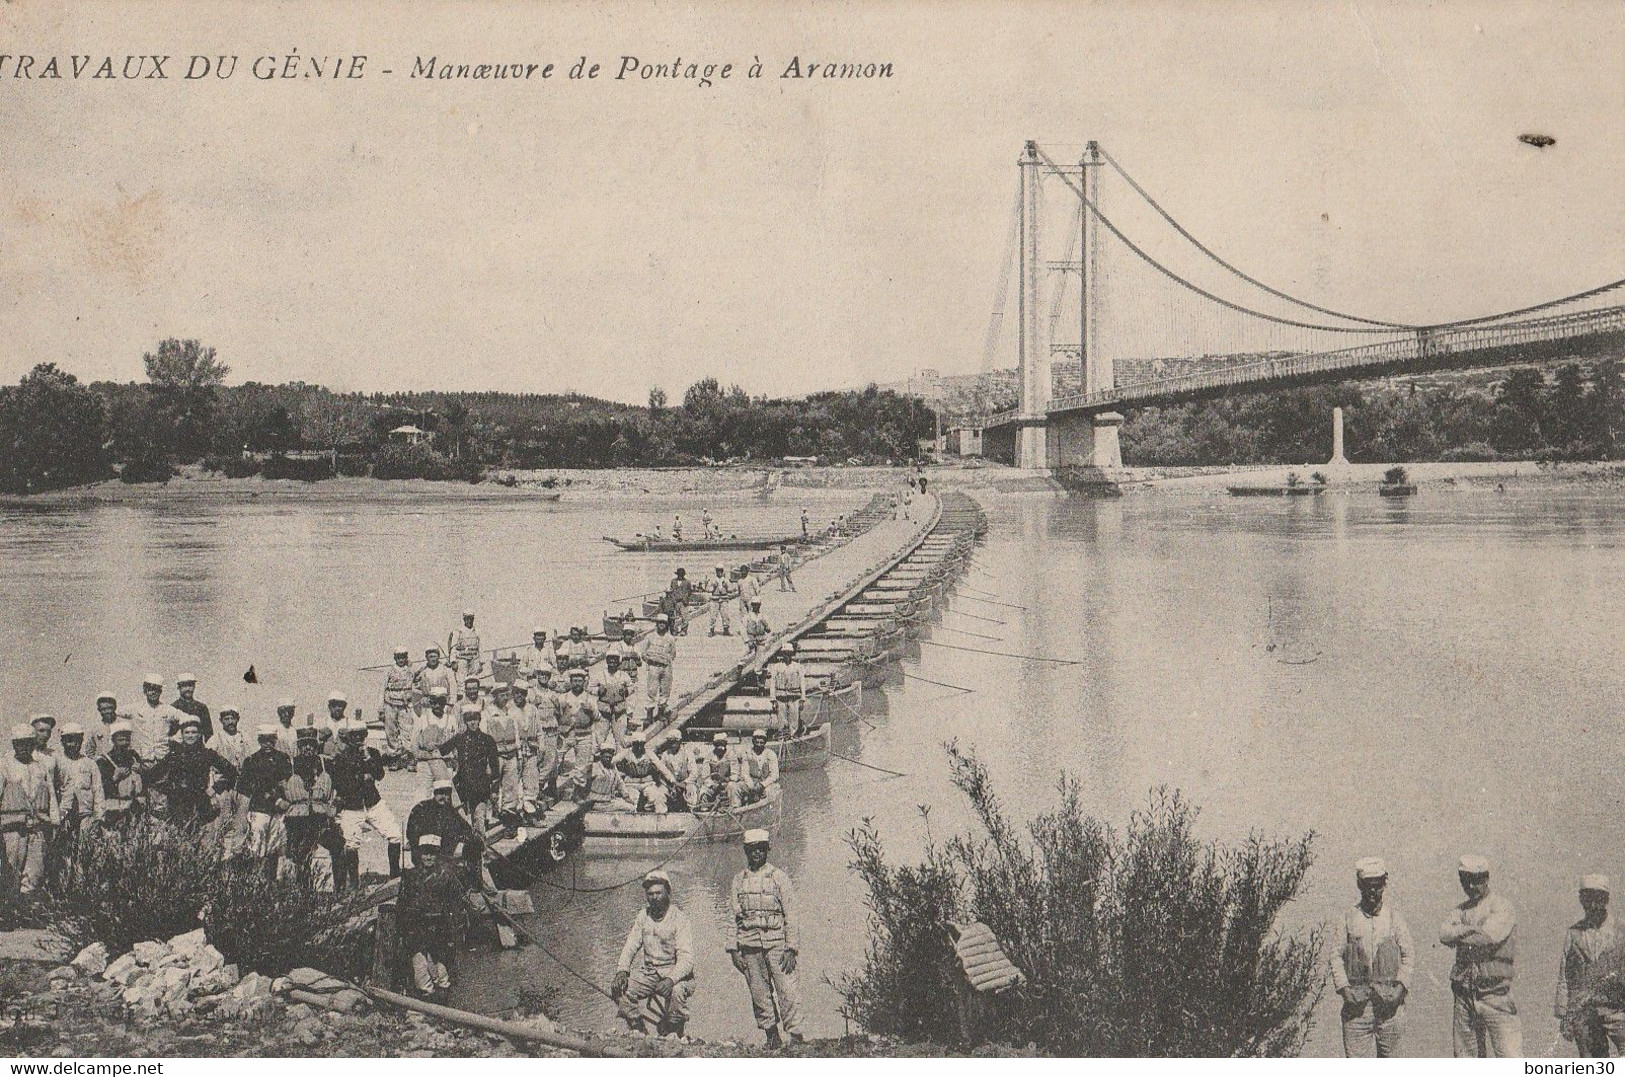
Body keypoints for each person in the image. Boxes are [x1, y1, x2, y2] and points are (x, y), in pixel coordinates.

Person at [727, 828, 803, 1048]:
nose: (756, 853)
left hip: (778, 944)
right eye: (752, 850)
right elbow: (733, 916)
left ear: (767, 850)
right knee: (759, 994)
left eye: (761, 849)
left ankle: (796, 1036)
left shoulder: (779, 877)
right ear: (746, 852)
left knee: (787, 989)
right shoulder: (738, 880)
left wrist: (791, 948)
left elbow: (792, 914)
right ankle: (771, 1035)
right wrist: (733, 950)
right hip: (749, 945)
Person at [1331, 857, 1413, 1057]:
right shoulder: (1348, 918)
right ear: (1359, 885)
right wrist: (1344, 989)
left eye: (1377, 886)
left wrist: (1400, 988)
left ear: (1385, 883)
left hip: (1390, 1007)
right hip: (1357, 1008)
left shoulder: (1394, 918)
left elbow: (1408, 956)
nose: (1372, 892)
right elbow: (1335, 956)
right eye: (1367, 886)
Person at [1441, 853, 1521, 1057]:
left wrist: (1461, 932)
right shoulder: (1460, 909)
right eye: (1466, 881)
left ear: (1486, 878)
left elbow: (1487, 937)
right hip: (1465, 995)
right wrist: (1472, 930)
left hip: (1495, 994)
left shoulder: (1501, 906)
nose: (1471, 886)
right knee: (1466, 1059)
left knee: (1509, 1058)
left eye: (1477, 880)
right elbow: (1444, 934)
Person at [613, 869, 696, 1038]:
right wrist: (622, 971)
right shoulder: (643, 916)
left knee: (677, 991)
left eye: (659, 893)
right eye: (650, 894)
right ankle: (640, 1031)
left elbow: (687, 959)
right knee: (619, 989)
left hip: (676, 974)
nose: (654, 898)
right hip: (650, 973)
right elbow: (630, 945)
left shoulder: (680, 919)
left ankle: (674, 1033)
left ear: (668, 892)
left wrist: (671, 979)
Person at [398, 834, 472, 1002]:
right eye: (425, 853)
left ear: (438, 854)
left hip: (440, 929)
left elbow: (458, 902)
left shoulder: (446, 876)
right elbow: (403, 905)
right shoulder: (410, 876)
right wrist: (404, 929)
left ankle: (444, 1006)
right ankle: (427, 1007)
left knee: (441, 973)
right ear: (419, 854)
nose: (429, 857)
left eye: (432, 853)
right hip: (417, 929)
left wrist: (456, 926)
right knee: (421, 972)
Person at [1557, 875, 1625, 1056]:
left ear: (1607, 899)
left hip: (1617, 1008)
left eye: (1599, 898)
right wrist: (1564, 1014)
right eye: (1587, 898)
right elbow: (1565, 974)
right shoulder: (1574, 934)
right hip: (1585, 1010)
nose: (1593, 904)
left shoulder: (1621, 931)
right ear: (1581, 899)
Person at [330, 721, 401, 885]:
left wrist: (368, 758)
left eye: (361, 735)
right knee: (351, 844)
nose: (358, 739)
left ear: (365, 736)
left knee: (395, 835)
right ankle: (355, 883)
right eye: (354, 736)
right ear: (349, 738)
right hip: (352, 806)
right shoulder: (342, 758)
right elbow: (341, 784)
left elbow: (380, 775)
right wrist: (361, 778)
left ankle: (395, 877)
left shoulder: (373, 753)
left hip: (373, 803)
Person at [0, 725, 59, 899]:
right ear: (13, 744)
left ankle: (27, 909)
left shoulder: (41, 766)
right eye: (19, 743)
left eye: (27, 743)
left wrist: (55, 821)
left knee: (35, 870)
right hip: (13, 828)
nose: (23, 747)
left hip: (38, 826)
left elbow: (52, 795)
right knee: (11, 869)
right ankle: (10, 910)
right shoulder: (5, 765)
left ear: (33, 744)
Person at [281, 728, 345, 886]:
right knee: (300, 854)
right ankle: (304, 892)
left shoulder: (327, 764)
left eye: (311, 744)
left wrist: (336, 806)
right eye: (304, 745)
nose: (308, 748)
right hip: (297, 819)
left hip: (321, 817)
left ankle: (341, 889)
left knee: (338, 845)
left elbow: (344, 786)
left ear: (316, 746)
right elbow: (274, 787)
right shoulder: (289, 764)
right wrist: (281, 803)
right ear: (299, 746)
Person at [145, 717, 238, 824]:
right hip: (176, 804)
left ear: (199, 734)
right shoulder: (174, 755)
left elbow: (232, 772)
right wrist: (166, 791)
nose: (190, 735)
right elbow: (152, 775)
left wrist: (215, 789)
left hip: (200, 803)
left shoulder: (207, 754)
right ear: (182, 735)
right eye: (187, 732)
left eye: (194, 732)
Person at [236, 725, 292, 864]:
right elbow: (248, 788)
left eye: (271, 740)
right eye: (263, 740)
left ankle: (273, 882)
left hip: (278, 812)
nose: (267, 744)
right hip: (259, 810)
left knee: (275, 846)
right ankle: (255, 881)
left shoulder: (283, 759)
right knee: (255, 847)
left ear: (275, 740)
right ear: (258, 740)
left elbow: (287, 783)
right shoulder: (251, 760)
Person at [443, 706, 501, 838]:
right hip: (462, 785)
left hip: (480, 786)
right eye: (469, 720)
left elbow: (495, 767)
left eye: (475, 719)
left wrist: (494, 789)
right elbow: (442, 750)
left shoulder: (488, 740)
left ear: (479, 720)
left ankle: (480, 848)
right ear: (465, 722)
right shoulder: (460, 739)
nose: (473, 723)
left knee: (479, 819)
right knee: (461, 820)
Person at [406, 779, 482, 879]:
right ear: (434, 793)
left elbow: (466, 829)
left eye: (447, 794)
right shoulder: (421, 808)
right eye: (441, 793)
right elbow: (411, 834)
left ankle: (475, 882)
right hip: (426, 855)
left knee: (475, 843)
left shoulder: (450, 811)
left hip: (444, 855)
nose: (445, 797)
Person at [53, 724, 102, 841]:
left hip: (86, 815)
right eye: (69, 740)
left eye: (77, 740)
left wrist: (98, 818)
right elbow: (53, 791)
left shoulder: (90, 764)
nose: (74, 744)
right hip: (64, 815)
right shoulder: (58, 763)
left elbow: (98, 792)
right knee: (66, 851)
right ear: (62, 742)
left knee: (85, 848)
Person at [95, 722, 144, 824]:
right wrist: (114, 777)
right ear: (113, 740)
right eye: (120, 740)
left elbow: (145, 782)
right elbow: (100, 787)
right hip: (114, 805)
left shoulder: (134, 757)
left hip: (133, 805)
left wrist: (141, 770)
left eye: (127, 740)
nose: (124, 743)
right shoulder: (105, 761)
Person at [614, 732, 674, 813]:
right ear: (632, 744)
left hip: (647, 782)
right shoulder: (626, 752)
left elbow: (661, 767)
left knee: (658, 797)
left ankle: (657, 819)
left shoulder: (649, 753)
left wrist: (673, 780)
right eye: (636, 744)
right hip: (631, 783)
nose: (639, 747)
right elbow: (612, 762)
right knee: (631, 801)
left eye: (641, 744)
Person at [130, 674, 183, 760]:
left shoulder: (168, 709)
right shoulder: (136, 709)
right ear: (145, 690)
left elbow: (189, 721)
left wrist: (175, 739)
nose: (153, 692)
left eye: (157, 690)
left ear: (160, 691)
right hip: (142, 759)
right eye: (150, 689)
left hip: (163, 757)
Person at [380, 646, 417, 764]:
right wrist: (380, 707)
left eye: (403, 657)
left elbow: (418, 680)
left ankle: (408, 757)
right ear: (395, 658)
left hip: (405, 705)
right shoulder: (389, 670)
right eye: (399, 657)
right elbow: (382, 688)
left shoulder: (411, 670)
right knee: (391, 731)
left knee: (407, 730)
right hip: (390, 704)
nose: (401, 660)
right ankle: (394, 757)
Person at [415, 688, 457, 784]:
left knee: (444, 794)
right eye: (434, 702)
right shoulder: (423, 719)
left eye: (441, 702)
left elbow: (456, 744)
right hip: (427, 762)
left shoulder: (451, 720)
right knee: (424, 795)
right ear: (430, 702)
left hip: (446, 763)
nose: (437, 705)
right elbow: (414, 744)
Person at [641, 615, 678, 724]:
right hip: (653, 666)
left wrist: (666, 660)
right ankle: (649, 715)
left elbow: (673, 653)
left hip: (666, 667)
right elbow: (643, 652)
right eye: (660, 622)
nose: (661, 624)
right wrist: (648, 659)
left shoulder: (670, 638)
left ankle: (661, 712)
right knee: (652, 690)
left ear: (666, 624)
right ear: (656, 623)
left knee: (665, 690)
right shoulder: (650, 637)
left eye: (664, 623)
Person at [576, 741, 632, 810]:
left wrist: (626, 797)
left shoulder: (613, 768)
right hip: (595, 802)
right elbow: (582, 779)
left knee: (631, 806)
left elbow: (620, 783)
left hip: (608, 801)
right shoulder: (595, 767)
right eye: (606, 757)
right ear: (601, 756)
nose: (608, 759)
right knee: (629, 808)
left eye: (610, 757)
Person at [730, 730, 780, 808]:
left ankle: (766, 810)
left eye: (761, 743)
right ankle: (737, 809)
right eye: (757, 743)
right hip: (752, 783)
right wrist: (751, 785)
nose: (759, 745)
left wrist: (762, 784)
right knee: (735, 787)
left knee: (772, 791)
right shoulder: (747, 753)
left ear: (765, 743)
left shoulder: (771, 754)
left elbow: (774, 775)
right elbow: (744, 773)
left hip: (766, 784)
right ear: (753, 742)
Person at [595, 654, 635, 747]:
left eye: (614, 661)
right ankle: (600, 754)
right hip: (604, 708)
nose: (612, 664)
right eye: (610, 661)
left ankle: (619, 755)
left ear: (618, 663)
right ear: (607, 662)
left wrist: (626, 690)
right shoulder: (600, 674)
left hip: (619, 709)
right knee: (600, 736)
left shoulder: (624, 675)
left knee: (620, 736)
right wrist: (598, 690)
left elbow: (632, 687)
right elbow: (589, 687)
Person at [770, 646, 808, 735]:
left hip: (794, 696)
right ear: (782, 655)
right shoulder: (776, 667)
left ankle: (793, 734)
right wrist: (773, 699)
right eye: (785, 653)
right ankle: (783, 734)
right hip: (780, 696)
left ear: (791, 654)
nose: (787, 656)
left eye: (789, 653)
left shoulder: (797, 666)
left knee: (794, 717)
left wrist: (803, 699)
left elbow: (802, 682)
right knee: (781, 717)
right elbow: (772, 683)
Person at [656, 734, 697, 812]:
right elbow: (661, 773)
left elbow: (694, 772)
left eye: (674, 742)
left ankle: (692, 813)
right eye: (670, 742)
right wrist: (671, 786)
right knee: (660, 793)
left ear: (680, 741)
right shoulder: (665, 754)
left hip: (685, 783)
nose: (672, 744)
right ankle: (662, 816)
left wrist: (685, 783)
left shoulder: (688, 753)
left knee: (692, 790)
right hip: (670, 784)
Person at [697, 733, 736, 811]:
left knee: (732, 787)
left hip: (726, 783)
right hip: (713, 783)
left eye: (722, 744)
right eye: (717, 744)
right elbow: (705, 775)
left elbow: (735, 774)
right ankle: (704, 809)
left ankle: (732, 808)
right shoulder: (709, 756)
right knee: (703, 791)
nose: (720, 747)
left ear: (725, 744)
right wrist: (711, 784)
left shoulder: (731, 755)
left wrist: (727, 779)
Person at [171, 673, 214, 742]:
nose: (188, 689)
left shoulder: (201, 707)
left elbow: (208, 734)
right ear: (178, 688)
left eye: (190, 685)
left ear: (194, 687)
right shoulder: (172, 708)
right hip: (178, 750)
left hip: (198, 750)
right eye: (184, 686)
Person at [207, 705, 251, 772]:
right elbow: (207, 761)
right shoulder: (215, 739)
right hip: (222, 777)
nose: (230, 722)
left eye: (233, 718)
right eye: (226, 719)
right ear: (221, 720)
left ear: (238, 719)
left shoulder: (245, 737)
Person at [87, 692, 125, 758]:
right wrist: (98, 759)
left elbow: (134, 745)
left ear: (115, 707)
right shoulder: (96, 728)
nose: (107, 712)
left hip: (123, 765)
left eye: (110, 708)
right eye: (103, 709)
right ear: (98, 710)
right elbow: (89, 751)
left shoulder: (124, 724)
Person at [449, 609, 483, 683]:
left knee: (474, 679)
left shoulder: (477, 631)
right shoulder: (458, 631)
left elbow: (481, 647)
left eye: (471, 619)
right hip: (461, 659)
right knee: (461, 681)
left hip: (474, 659)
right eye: (467, 619)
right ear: (464, 619)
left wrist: (481, 662)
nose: (469, 621)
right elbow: (453, 647)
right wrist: (453, 661)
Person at [707, 564, 738, 636]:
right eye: (718, 570)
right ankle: (711, 630)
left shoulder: (726, 580)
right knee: (713, 616)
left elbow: (731, 589)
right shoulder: (713, 580)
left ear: (722, 571)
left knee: (725, 615)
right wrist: (713, 588)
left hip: (724, 599)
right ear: (716, 571)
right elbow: (707, 589)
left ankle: (726, 630)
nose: (719, 572)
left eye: (720, 570)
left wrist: (727, 587)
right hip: (715, 599)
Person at [663, 568, 693, 636]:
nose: (680, 576)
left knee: (685, 617)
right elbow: (671, 590)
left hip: (683, 602)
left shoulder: (687, 582)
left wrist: (686, 598)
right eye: (679, 575)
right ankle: (675, 630)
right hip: (675, 601)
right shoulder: (673, 581)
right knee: (675, 617)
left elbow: (690, 592)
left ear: (683, 575)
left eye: (681, 575)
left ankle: (683, 630)